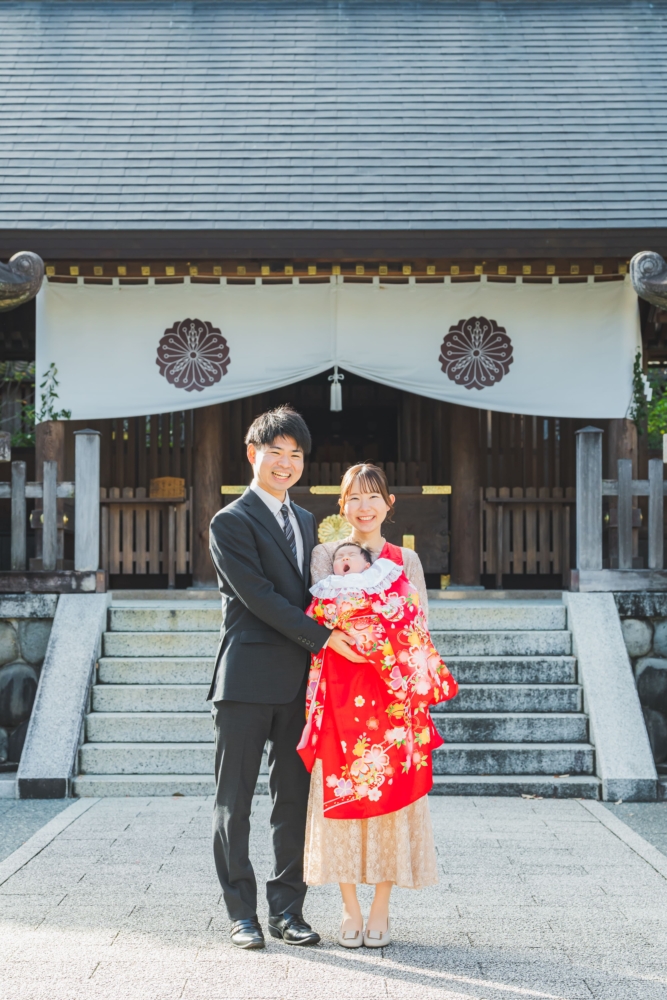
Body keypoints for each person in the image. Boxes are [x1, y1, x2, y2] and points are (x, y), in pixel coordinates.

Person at [208, 406, 364, 950]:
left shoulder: (305, 519)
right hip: (246, 680)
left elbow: (319, 593)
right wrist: (324, 637)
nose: (286, 462)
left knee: (294, 799)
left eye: (295, 454)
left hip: (302, 683)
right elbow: (259, 596)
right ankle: (241, 914)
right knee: (234, 802)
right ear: (253, 454)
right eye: (275, 452)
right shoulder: (229, 522)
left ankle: (287, 910)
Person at [304, 464, 457, 947]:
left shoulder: (405, 559)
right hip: (342, 690)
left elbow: (419, 622)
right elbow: (321, 619)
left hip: (394, 698)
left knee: (393, 801)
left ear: (389, 504)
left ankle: (381, 907)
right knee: (341, 792)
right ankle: (349, 906)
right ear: (342, 505)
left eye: (373, 497)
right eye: (354, 497)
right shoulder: (326, 555)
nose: (364, 507)